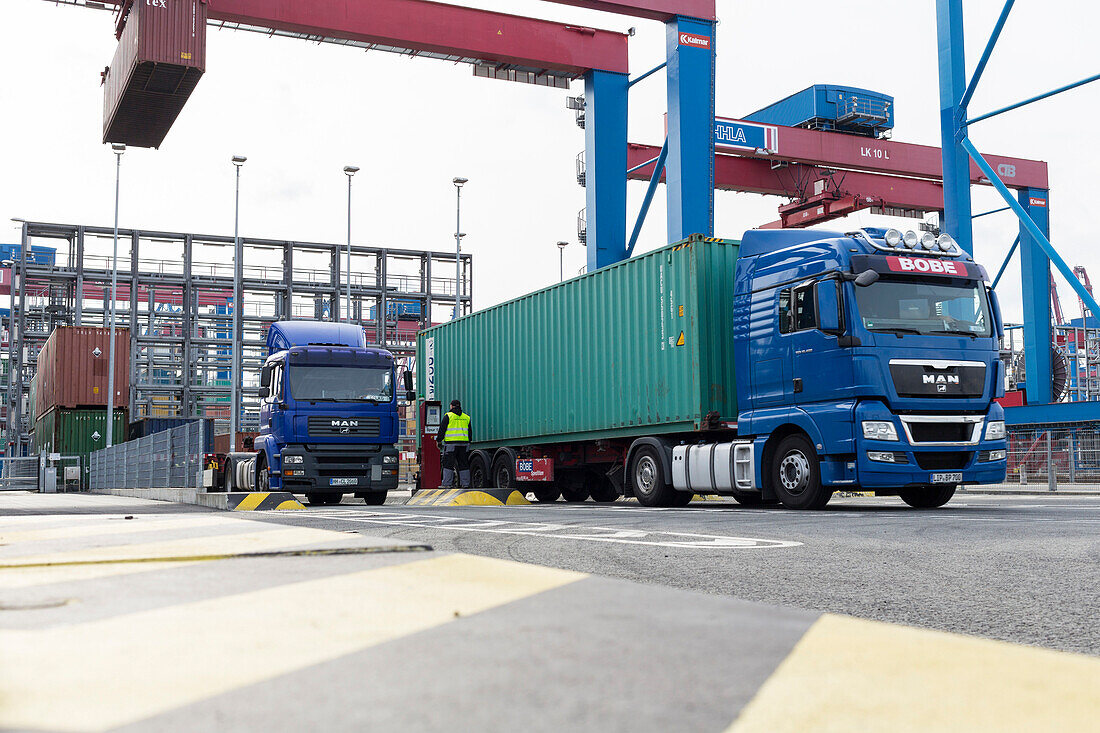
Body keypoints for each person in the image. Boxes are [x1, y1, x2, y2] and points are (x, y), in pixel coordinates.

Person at [436, 399, 472, 489]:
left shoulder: (448, 416)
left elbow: (442, 429)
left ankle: (447, 484)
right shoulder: (466, 417)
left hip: (451, 444)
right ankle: (466, 484)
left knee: (448, 464)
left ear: (451, 406)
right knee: (463, 464)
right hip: (464, 444)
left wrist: (439, 440)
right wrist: (469, 442)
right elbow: (470, 432)